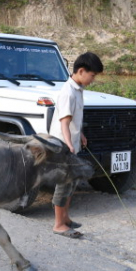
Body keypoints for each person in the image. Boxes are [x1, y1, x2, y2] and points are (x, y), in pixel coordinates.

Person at [48, 52, 103, 239]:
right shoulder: (68, 92)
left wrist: (81, 135)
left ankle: (66, 219)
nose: (93, 79)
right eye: (92, 75)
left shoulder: (78, 90)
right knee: (63, 184)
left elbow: (74, 121)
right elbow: (64, 123)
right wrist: (69, 145)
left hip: (72, 143)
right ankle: (58, 224)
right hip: (63, 146)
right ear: (81, 71)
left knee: (72, 183)